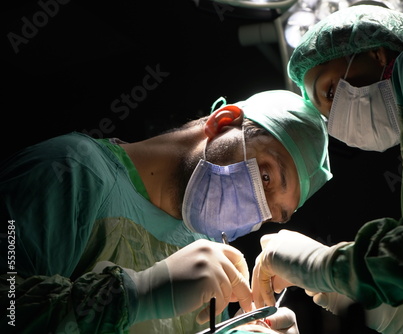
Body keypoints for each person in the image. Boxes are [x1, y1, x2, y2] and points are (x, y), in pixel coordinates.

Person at [251, 5, 403, 334]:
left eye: (329, 91)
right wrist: (362, 299)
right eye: (328, 116)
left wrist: (328, 267)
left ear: (377, 54)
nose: (337, 118)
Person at [0, 89, 331, 333]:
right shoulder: (69, 172)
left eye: (274, 213)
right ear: (223, 122)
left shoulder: (205, 268)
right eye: (266, 176)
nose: (258, 212)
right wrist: (135, 295)